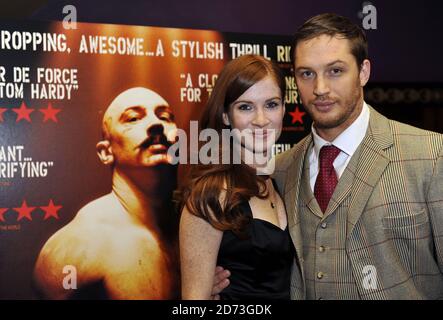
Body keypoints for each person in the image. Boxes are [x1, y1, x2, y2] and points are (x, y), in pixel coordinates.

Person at [214, 13, 443, 300]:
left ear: (363, 72)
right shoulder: (281, 170)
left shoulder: (431, 157)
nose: (320, 88)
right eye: (307, 73)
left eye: (335, 71)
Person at [33, 87, 180, 299]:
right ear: (106, 152)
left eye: (165, 117)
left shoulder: (200, 228)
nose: (156, 124)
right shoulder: (78, 246)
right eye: (133, 119)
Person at [179, 54, 294, 300]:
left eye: (271, 104)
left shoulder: (284, 181)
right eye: (245, 107)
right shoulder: (211, 195)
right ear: (225, 116)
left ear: (284, 108)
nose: (261, 120)